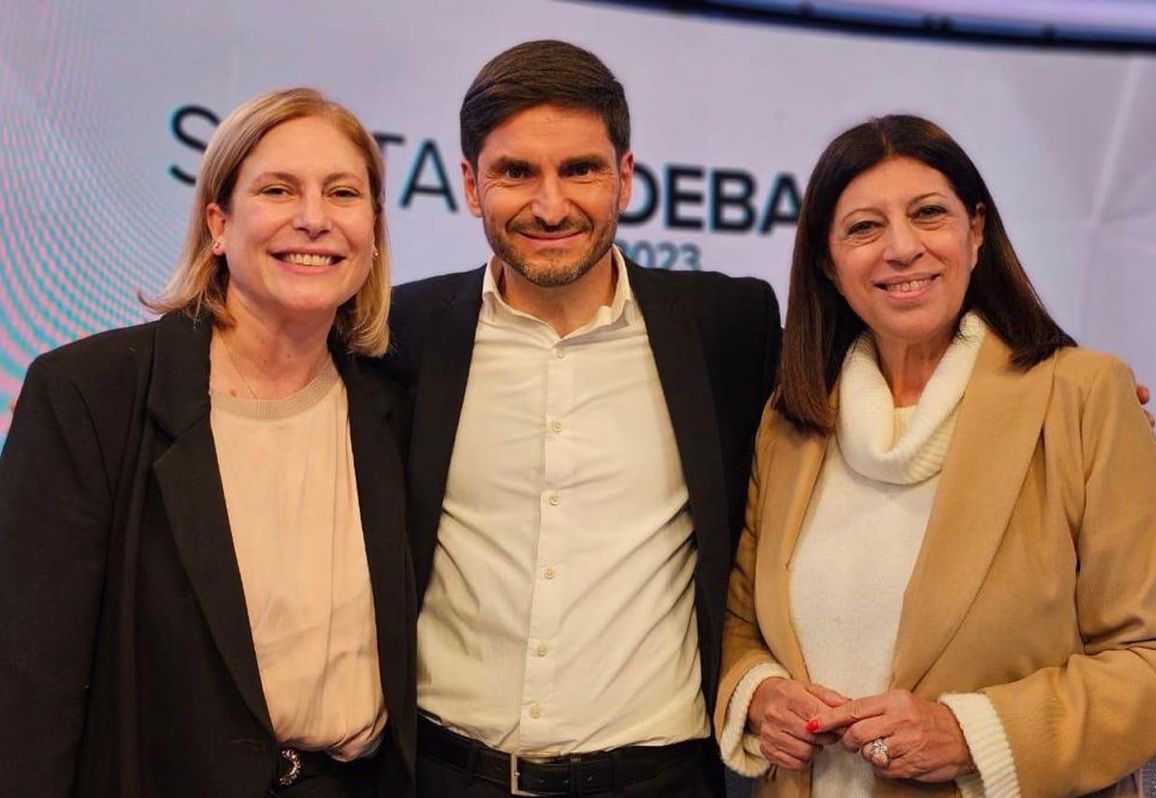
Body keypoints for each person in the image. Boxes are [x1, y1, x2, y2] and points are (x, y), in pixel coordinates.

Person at [714, 114, 1156, 798]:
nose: (902, 248)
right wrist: (760, 696)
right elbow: (739, 624)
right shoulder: (793, 421)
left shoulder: (1084, 396)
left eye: (928, 214)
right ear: (828, 261)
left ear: (975, 231)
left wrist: (973, 733)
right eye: (864, 228)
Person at [379, 40, 780, 797]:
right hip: (440, 775)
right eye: (516, 172)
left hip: (660, 781)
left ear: (625, 177)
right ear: (470, 184)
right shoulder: (402, 332)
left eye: (581, 170)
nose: (551, 205)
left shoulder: (729, 326)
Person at [0, 88, 416, 798]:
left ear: (372, 232)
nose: (313, 219)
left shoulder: (394, 404)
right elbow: (29, 686)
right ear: (218, 223)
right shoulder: (90, 393)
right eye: (279, 189)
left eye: (343, 193)